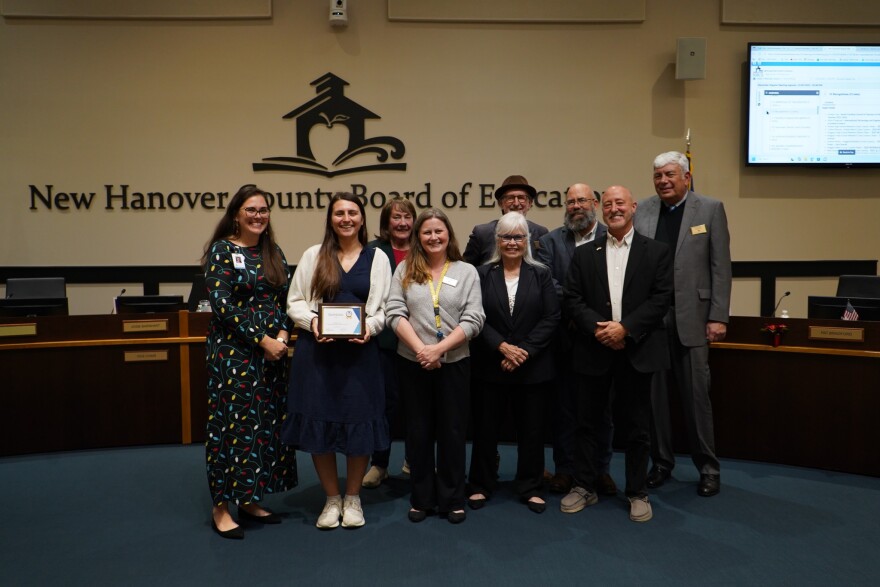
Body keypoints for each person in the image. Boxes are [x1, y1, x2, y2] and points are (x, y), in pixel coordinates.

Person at [562, 185, 672, 523]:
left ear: (633, 207)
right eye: (607, 204)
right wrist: (601, 329)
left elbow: (661, 298)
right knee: (586, 423)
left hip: (637, 350)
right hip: (594, 349)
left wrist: (625, 328)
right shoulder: (584, 253)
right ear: (601, 209)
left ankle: (637, 491)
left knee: (637, 427)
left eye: (619, 203)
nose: (614, 209)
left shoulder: (656, 252)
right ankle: (584, 485)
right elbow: (572, 299)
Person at [283, 192, 392, 529]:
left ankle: (354, 497)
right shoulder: (313, 255)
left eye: (353, 213)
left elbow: (385, 307)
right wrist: (313, 322)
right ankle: (332, 499)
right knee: (321, 421)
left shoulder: (378, 259)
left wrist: (370, 327)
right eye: (339, 213)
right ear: (330, 219)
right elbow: (295, 301)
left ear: (362, 219)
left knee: (359, 422)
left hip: (360, 356)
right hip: (318, 356)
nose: (346, 218)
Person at [633, 151, 731, 497]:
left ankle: (707, 467)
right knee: (655, 399)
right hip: (652, 321)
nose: (663, 181)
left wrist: (718, 315)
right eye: (658, 175)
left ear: (686, 177)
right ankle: (661, 463)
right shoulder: (642, 210)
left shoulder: (710, 208)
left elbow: (721, 267)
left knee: (696, 397)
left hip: (694, 318)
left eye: (670, 174)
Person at [203, 184, 297, 540]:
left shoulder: (273, 252)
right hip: (234, 354)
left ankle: (250, 498)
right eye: (251, 210)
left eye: (263, 210)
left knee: (265, 426)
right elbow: (223, 306)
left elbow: (287, 302)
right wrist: (262, 340)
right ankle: (222, 507)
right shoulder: (222, 251)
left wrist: (283, 339)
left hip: (273, 354)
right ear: (236, 214)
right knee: (232, 429)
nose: (258, 216)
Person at [386, 208, 485, 524]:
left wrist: (439, 349)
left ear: (448, 235)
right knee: (418, 432)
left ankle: (452, 498)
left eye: (438, 231)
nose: (433, 237)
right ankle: (422, 498)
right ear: (418, 237)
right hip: (413, 362)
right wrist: (421, 350)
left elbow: (475, 318)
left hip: (454, 362)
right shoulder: (404, 270)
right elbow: (394, 313)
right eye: (426, 232)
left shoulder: (467, 271)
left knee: (453, 431)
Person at [467, 212, 560, 514]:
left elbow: (551, 317)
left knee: (532, 431)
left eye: (518, 237)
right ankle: (481, 484)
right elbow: (476, 316)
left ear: (527, 241)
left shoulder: (541, 273)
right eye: (506, 237)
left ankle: (530, 486)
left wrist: (523, 351)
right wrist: (503, 348)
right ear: (497, 241)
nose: (512, 242)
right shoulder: (481, 274)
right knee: (485, 430)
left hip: (531, 367)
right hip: (490, 364)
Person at [536, 184, 616, 497]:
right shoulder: (549, 241)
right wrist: (578, 304)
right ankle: (565, 469)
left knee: (602, 410)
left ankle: (601, 470)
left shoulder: (611, 237)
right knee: (564, 408)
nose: (575, 206)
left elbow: (614, 284)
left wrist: (589, 313)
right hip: (563, 338)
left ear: (594, 203)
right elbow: (548, 283)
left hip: (601, 337)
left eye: (582, 200)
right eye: (570, 201)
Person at [362, 196, 416, 488]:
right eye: (396, 217)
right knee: (384, 404)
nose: (402, 223)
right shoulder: (373, 252)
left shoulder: (424, 250)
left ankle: (413, 458)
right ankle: (379, 463)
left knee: (416, 404)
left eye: (407, 217)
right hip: (383, 343)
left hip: (420, 343)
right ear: (386, 222)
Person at [463, 174, 549, 266]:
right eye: (510, 198)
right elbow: (466, 270)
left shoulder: (541, 233)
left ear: (530, 203)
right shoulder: (482, 233)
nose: (516, 203)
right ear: (501, 203)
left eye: (521, 198)